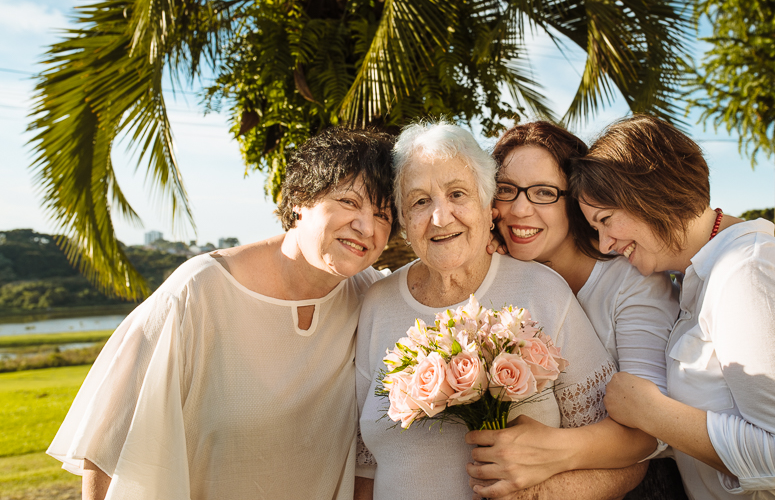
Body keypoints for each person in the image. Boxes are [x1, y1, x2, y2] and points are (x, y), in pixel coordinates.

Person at [48, 128, 398, 500]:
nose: (366, 227)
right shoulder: (197, 292)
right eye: (348, 202)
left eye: (382, 214)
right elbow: (109, 441)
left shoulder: (371, 298)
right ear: (299, 199)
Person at [571, 114, 775, 500]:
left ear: (648, 192)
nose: (605, 243)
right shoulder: (705, 279)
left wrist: (651, 412)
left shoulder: (750, 274)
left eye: (606, 220)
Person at [354, 121, 657, 500]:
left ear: (487, 206)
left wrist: (537, 495)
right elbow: (364, 467)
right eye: (419, 201)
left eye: (458, 194)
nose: (440, 217)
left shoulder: (542, 291)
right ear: (402, 218)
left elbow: (628, 455)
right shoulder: (377, 303)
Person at [464, 121, 686, 499]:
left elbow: (654, 427)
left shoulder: (632, 281)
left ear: (576, 200)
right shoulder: (500, 272)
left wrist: (550, 452)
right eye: (506, 190)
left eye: (544, 193)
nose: (520, 209)